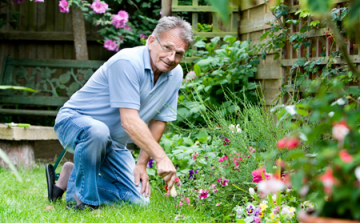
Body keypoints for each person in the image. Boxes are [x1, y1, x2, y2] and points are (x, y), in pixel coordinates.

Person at [45, 16, 193, 210]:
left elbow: (158, 120)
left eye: (179, 53)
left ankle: (72, 175)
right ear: (151, 41)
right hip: (74, 122)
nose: (172, 58)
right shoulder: (127, 62)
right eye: (167, 48)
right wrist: (161, 158)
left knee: (139, 201)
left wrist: (141, 164)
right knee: (98, 131)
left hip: (114, 143)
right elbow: (129, 121)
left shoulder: (176, 73)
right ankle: (82, 201)